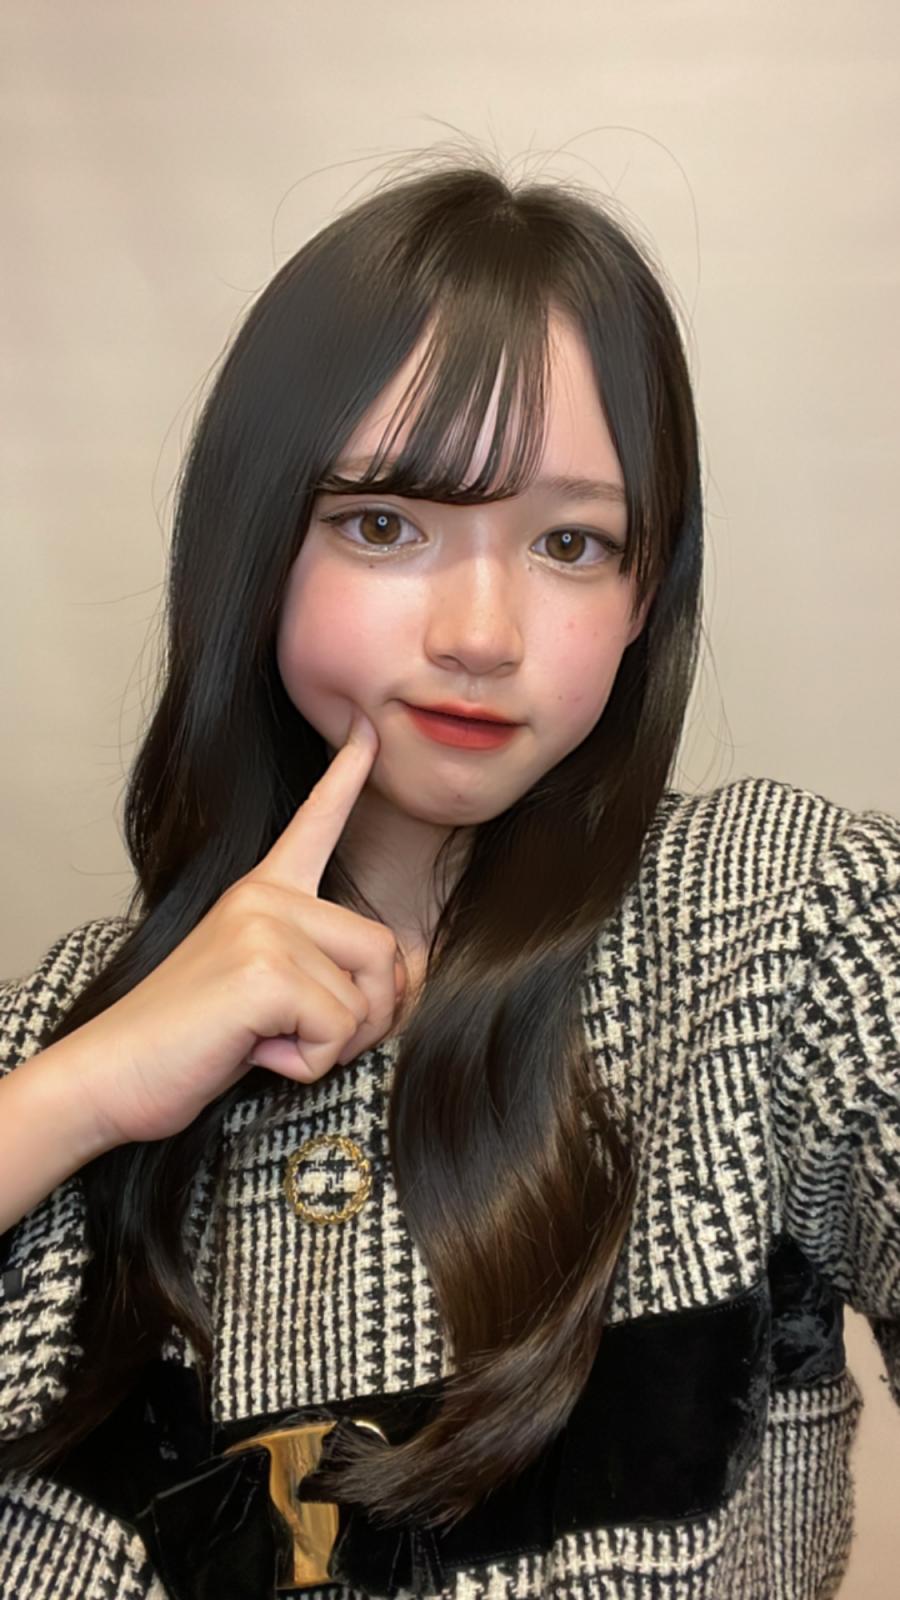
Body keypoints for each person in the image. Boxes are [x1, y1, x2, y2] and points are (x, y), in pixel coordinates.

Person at [0, 156, 897, 1600]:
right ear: (256, 545)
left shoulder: (786, 923)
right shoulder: (61, 1032)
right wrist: (79, 1096)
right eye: (386, 524)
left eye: (570, 542)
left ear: (644, 593)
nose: (482, 633)